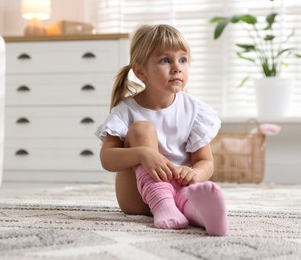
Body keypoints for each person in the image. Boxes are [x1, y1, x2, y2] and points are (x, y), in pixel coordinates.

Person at [95, 24, 228, 236]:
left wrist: (194, 173)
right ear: (140, 71)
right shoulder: (127, 110)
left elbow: (206, 162)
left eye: (182, 60)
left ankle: (203, 216)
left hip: (179, 189)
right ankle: (162, 203)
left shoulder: (195, 110)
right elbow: (107, 159)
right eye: (165, 60)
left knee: (188, 195)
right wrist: (142, 154)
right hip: (137, 199)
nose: (177, 67)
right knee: (142, 130)